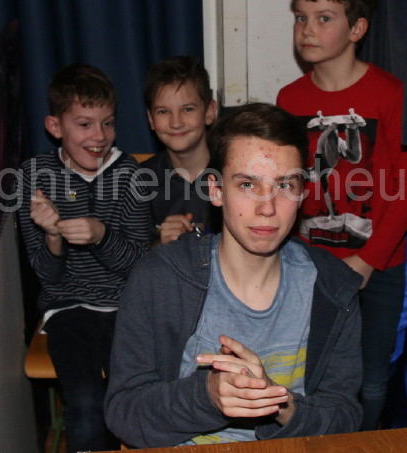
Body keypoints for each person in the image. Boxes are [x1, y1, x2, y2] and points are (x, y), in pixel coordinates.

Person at [105, 102, 363, 448]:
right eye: (247, 185)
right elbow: (124, 412)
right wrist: (207, 397)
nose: (268, 208)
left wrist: (282, 405)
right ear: (215, 190)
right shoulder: (160, 279)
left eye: (285, 185)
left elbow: (345, 416)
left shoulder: (333, 287)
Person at [275, 0, 407, 431]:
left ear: (357, 28)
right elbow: (287, 183)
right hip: (310, 263)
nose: (307, 29)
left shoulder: (391, 95)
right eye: (301, 17)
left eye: (324, 18)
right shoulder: (289, 100)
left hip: (378, 265)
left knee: (371, 378)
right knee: (309, 372)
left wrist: (368, 261)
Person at [16, 63, 152, 453]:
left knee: (132, 398)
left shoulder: (130, 174)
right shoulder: (34, 176)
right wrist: (53, 236)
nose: (99, 136)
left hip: (125, 306)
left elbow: (139, 265)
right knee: (87, 402)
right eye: (84, 124)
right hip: (68, 309)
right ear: (55, 126)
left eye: (107, 123)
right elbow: (47, 277)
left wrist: (101, 236)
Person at [140, 56, 218, 245]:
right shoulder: (140, 181)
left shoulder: (233, 174)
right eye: (163, 111)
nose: (176, 123)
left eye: (188, 109)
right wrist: (161, 246)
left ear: (209, 112)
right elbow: (132, 255)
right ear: (151, 119)